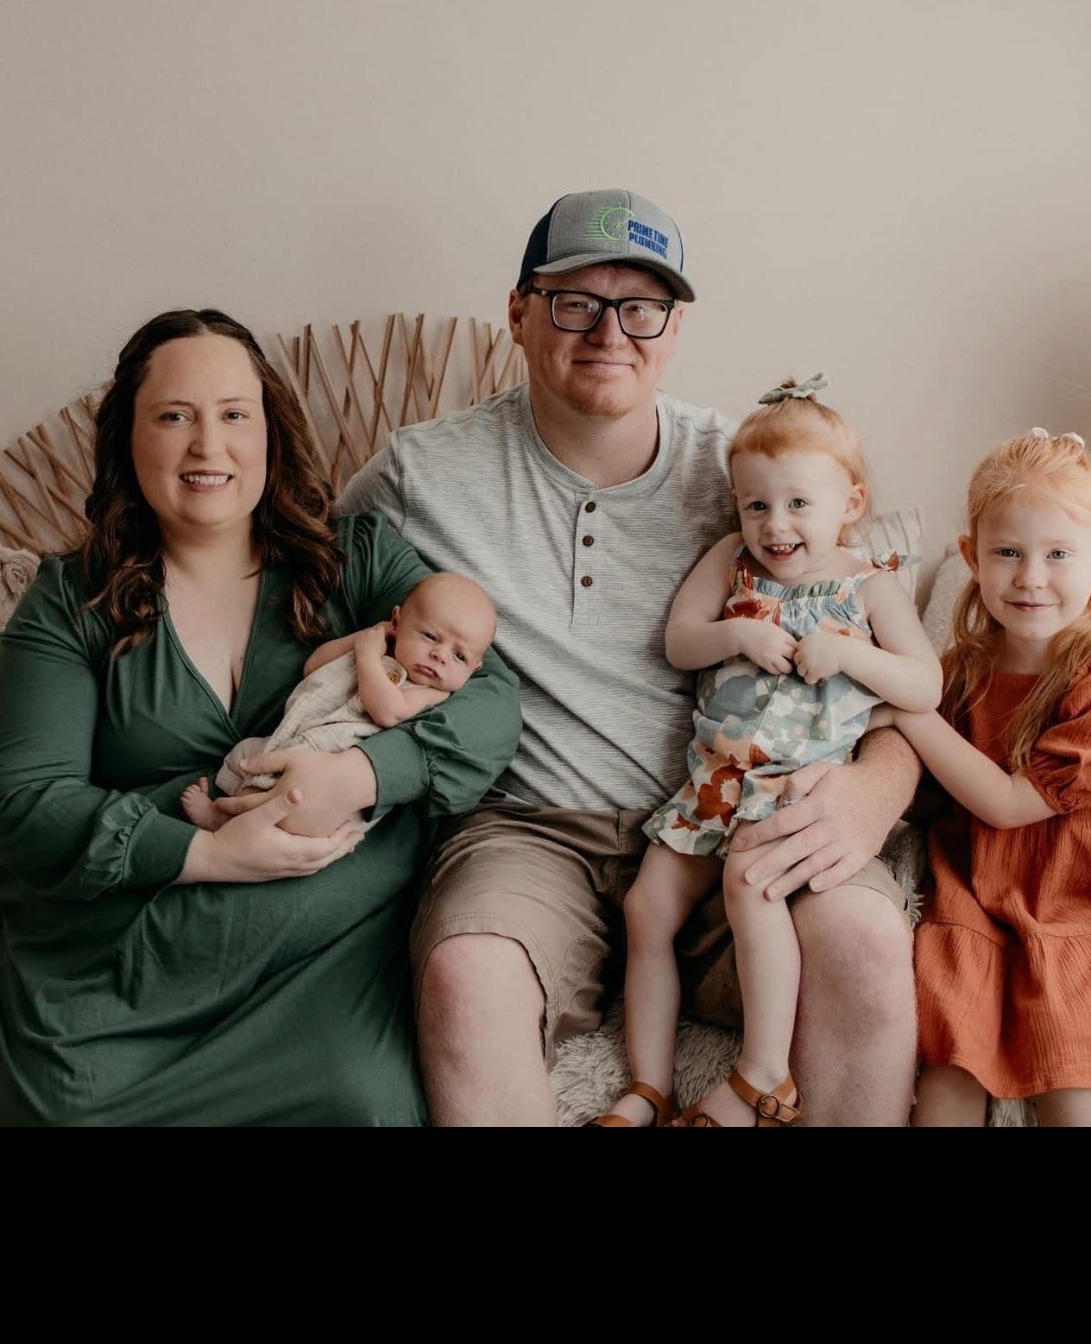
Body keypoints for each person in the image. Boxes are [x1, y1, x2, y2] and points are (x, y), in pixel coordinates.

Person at [338, 187, 923, 1126]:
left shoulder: (751, 479)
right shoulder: (422, 473)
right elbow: (305, 590)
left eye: (640, 306)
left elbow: (874, 637)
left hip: (745, 813)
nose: (609, 331)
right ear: (520, 314)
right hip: (529, 830)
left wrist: (875, 788)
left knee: (862, 935)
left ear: (675, 327)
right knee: (465, 973)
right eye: (576, 301)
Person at [0, 310, 520, 1127]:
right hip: (122, 976)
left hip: (316, 967)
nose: (209, 447)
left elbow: (491, 703)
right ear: (127, 437)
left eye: (234, 415)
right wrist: (207, 851)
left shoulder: (359, 560)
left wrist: (356, 775)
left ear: (270, 432)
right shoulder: (69, 602)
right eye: (175, 416)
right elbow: (26, 808)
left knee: (367, 1105)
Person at [598, 374, 942, 1126]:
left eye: (797, 504)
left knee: (752, 896)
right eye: (756, 504)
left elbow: (924, 685)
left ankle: (762, 1076)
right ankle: (647, 1087)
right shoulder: (730, 561)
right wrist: (736, 633)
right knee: (645, 907)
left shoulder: (868, 586)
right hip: (711, 787)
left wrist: (847, 656)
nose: (774, 524)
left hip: (792, 797)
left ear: (849, 504)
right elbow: (679, 641)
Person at [890, 429, 1091, 1128]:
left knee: (1068, 1063)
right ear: (971, 559)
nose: (1030, 577)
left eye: (1057, 555)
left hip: (1079, 896)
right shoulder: (959, 669)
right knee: (949, 1058)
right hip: (973, 883)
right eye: (1007, 553)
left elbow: (1011, 804)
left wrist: (907, 709)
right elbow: (933, 791)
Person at [180, 570, 498, 833]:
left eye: (459, 656)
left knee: (273, 790)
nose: (440, 656)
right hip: (294, 734)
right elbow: (314, 666)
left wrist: (367, 656)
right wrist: (360, 642)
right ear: (398, 622)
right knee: (245, 755)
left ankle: (225, 823)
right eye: (430, 636)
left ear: (474, 668)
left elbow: (387, 711)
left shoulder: (431, 690)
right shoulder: (374, 647)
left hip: (330, 758)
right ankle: (237, 813)